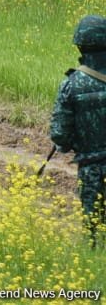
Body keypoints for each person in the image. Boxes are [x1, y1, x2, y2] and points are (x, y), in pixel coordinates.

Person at [51, 13, 106, 244]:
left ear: (80, 46)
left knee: (94, 236)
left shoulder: (71, 85)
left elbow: (60, 135)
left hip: (92, 171)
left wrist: (74, 144)